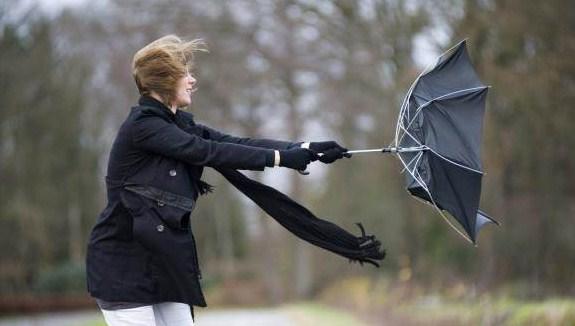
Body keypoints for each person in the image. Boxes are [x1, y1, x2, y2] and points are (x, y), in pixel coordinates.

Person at [85, 35, 349, 326]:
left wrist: (305, 148)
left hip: (162, 263)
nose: (192, 80)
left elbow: (233, 141)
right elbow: (207, 152)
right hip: (123, 266)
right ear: (165, 79)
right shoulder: (143, 127)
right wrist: (281, 159)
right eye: (185, 73)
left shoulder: (178, 124)